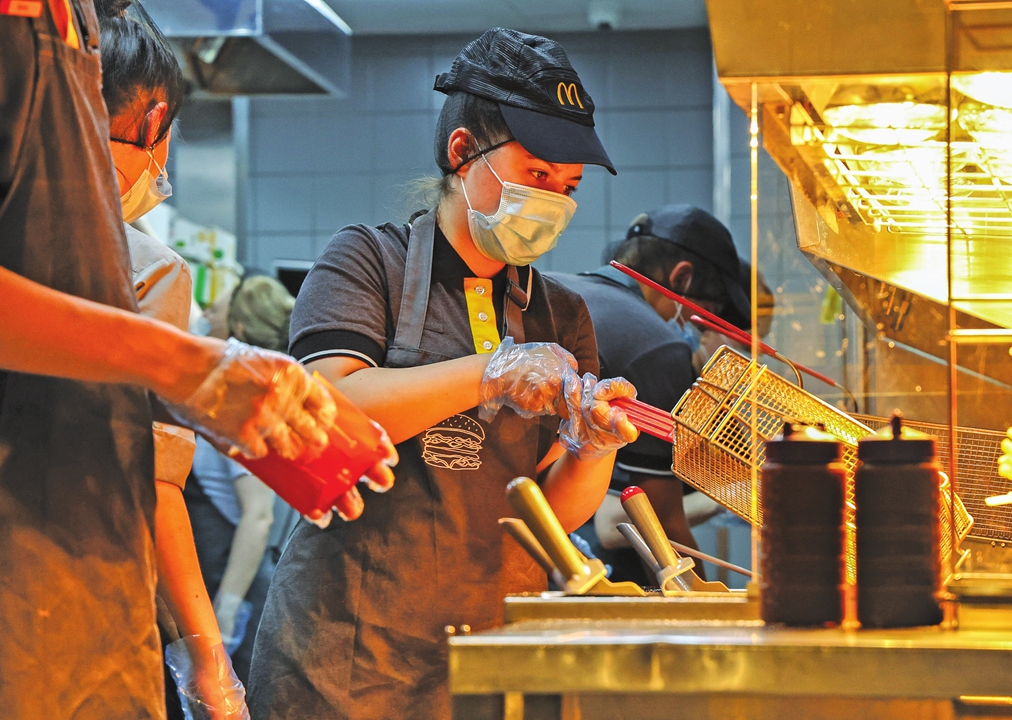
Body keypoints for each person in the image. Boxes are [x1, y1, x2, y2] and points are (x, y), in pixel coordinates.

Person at [0, 1, 374, 716]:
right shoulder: (14, 34)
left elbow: (150, 469)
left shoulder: (71, 29)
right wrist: (183, 366)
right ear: (157, 123)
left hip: (79, 607)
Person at [248, 28, 635, 718]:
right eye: (537, 175)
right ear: (463, 153)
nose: (553, 199)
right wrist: (490, 372)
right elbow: (332, 406)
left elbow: (546, 511)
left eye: (568, 186)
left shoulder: (562, 314)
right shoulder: (368, 262)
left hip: (489, 652)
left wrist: (592, 446)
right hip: (351, 656)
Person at [94, 3, 250, 718]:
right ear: (155, 125)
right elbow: (154, 485)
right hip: (81, 601)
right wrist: (209, 660)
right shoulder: (148, 270)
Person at [554, 205, 751, 585]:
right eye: (708, 313)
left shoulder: (567, 287)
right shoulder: (657, 348)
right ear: (682, 277)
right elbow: (665, 527)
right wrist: (709, 614)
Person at [187, 276, 300, 686]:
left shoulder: (244, 396)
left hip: (239, 580)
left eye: (214, 311)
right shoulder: (275, 386)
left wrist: (228, 606)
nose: (205, 318)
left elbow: (258, 517)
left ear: (235, 326)